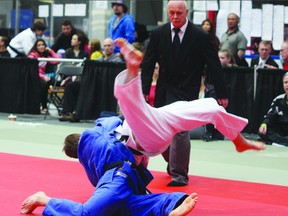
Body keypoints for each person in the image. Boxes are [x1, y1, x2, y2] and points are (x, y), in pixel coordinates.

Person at [113, 38, 265, 167]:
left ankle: (239, 142)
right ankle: (132, 68)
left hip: (158, 120)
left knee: (211, 107)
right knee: (135, 108)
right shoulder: (125, 161)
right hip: (148, 135)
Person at [20, 117, 198, 216]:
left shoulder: (86, 155)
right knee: (123, 207)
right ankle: (172, 204)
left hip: (118, 177)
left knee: (88, 213)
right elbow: (112, 119)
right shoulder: (101, 128)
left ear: (75, 154)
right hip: (128, 176)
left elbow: (98, 183)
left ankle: (43, 199)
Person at [141, 0, 229, 186]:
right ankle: (172, 161)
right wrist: (143, 92)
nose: (174, 17)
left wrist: (222, 93)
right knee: (161, 131)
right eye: (171, 13)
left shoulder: (200, 36)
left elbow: (214, 65)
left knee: (180, 131)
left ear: (186, 12)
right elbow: (148, 64)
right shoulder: (158, 34)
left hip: (187, 89)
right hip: (164, 89)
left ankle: (179, 174)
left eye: (178, 13)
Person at [58, 38, 122, 122]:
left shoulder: (117, 61)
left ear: (113, 47)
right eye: (105, 46)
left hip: (106, 87)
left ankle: (79, 113)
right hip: (92, 85)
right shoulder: (97, 60)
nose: (107, 48)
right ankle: (67, 113)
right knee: (72, 86)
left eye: (109, 45)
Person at [27, 39, 60, 114]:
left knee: (52, 82)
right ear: (36, 47)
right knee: (44, 84)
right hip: (33, 77)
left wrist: (51, 51)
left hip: (42, 77)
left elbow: (58, 61)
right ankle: (44, 106)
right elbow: (33, 71)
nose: (41, 47)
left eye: (43, 45)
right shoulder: (32, 56)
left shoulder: (45, 56)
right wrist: (43, 77)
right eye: (39, 45)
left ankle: (62, 83)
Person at [258, 72, 288, 147]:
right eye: (285, 82)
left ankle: (276, 143)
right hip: (280, 132)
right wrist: (264, 124)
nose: (287, 85)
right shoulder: (278, 99)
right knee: (262, 131)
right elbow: (269, 116)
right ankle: (283, 143)